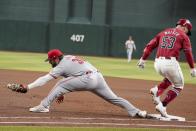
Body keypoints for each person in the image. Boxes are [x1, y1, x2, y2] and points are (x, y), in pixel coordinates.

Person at [20, 49, 147, 118]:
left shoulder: (60, 66)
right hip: (98, 76)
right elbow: (72, 74)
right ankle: (136, 112)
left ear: (56, 58)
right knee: (114, 98)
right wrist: (62, 92)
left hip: (87, 79)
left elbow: (45, 79)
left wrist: (28, 87)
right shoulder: (68, 57)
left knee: (60, 84)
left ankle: (43, 106)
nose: (50, 62)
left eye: (50, 60)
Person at [137, 18, 196, 117]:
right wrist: (192, 68)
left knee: (170, 78)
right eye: (187, 30)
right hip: (170, 63)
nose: (187, 32)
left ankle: (157, 89)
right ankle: (163, 106)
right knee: (179, 86)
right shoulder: (183, 36)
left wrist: (143, 59)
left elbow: (150, 46)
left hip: (157, 63)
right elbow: (188, 53)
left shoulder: (163, 32)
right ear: (185, 27)